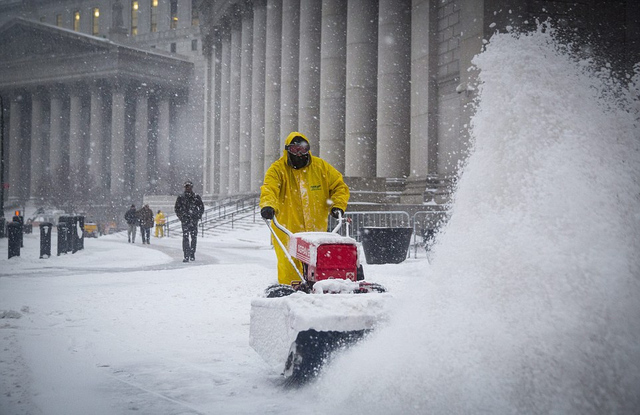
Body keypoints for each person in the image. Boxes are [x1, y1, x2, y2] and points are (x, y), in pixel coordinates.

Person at [260, 131, 350, 285]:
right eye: (295, 150)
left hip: (316, 232)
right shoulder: (278, 170)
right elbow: (270, 189)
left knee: (320, 265)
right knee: (290, 266)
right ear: (288, 150)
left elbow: (339, 186)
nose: (300, 154)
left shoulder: (321, 167)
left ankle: (322, 291)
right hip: (288, 232)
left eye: (303, 149)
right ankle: (291, 295)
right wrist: (268, 205)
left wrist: (337, 206)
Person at [174, 181, 204, 262]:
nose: (188, 188)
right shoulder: (181, 197)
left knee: (193, 238)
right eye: (187, 187)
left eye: (189, 187)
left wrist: (198, 216)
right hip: (185, 220)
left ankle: (192, 253)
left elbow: (201, 207)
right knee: (185, 237)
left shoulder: (196, 197)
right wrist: (181, 217)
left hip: (193, 220)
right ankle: (186, 255)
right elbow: (177, 208)